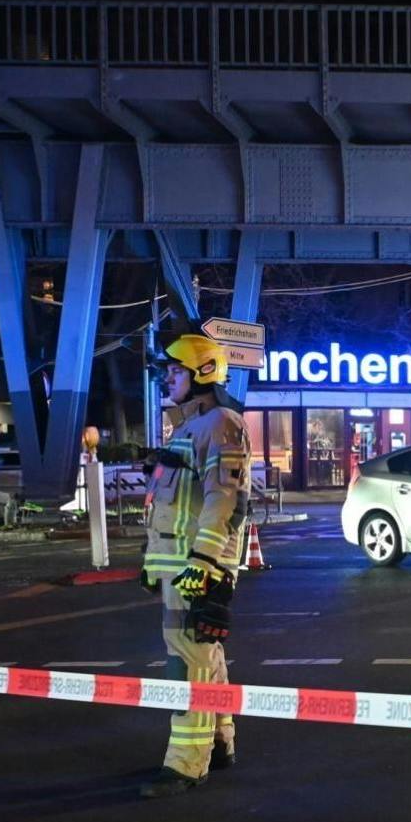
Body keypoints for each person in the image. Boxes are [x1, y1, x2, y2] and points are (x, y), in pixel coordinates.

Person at [139, 334, 251, 798]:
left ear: (203, 373)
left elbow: (222, 499)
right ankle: (219, 740)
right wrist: (154, 561)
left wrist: (204, 562)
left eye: (177, 371)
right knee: (207, 659)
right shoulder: (191, 427)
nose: (168, 377)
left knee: (187, 665)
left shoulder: (219, 424)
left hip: (195, 566)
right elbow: (176, 502)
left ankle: (187, 763)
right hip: (181, 564)